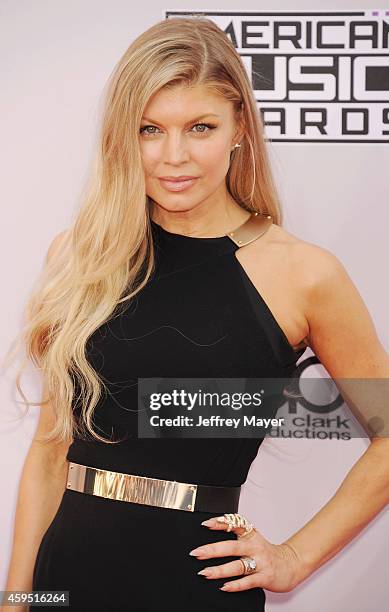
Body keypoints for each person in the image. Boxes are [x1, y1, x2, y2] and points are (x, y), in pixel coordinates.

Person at [2, 16, 389, 612]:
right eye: (149, 129)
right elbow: (52, 451)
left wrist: (294, 557)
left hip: (196, 589)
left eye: (200, 127)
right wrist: (21, 600)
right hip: (68, 576)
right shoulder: (81, 256)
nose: (173, 156)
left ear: (239, 128)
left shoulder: (303, 273)